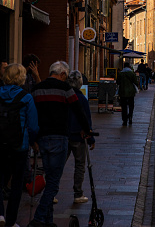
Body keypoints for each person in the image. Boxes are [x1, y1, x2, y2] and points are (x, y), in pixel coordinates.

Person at [28, 61, 91, 227]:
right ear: (62, 74)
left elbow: (31, 115)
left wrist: (32, 138)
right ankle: (40, 218)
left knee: (50, 177)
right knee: (53, 183)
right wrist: (87, 130)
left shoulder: (36, 89)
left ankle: (48, 221)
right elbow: (79, 110)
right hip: (59, 137)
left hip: (42, 138)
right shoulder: (66, 89)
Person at [0, 64, 39, 227]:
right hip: (19, 146)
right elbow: (33, 126)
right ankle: (10, 221)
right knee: (17, 183)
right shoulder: (26, 97)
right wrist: (33, 141)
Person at [66, 71, 95, 204]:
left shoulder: (64, 96)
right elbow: (86, 119)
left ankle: (52, 192)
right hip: (78, 135)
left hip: (65, 135)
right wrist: (90, 138)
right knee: (80, 165)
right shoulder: (81, 99)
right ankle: (78, 193)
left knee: (59, 164)